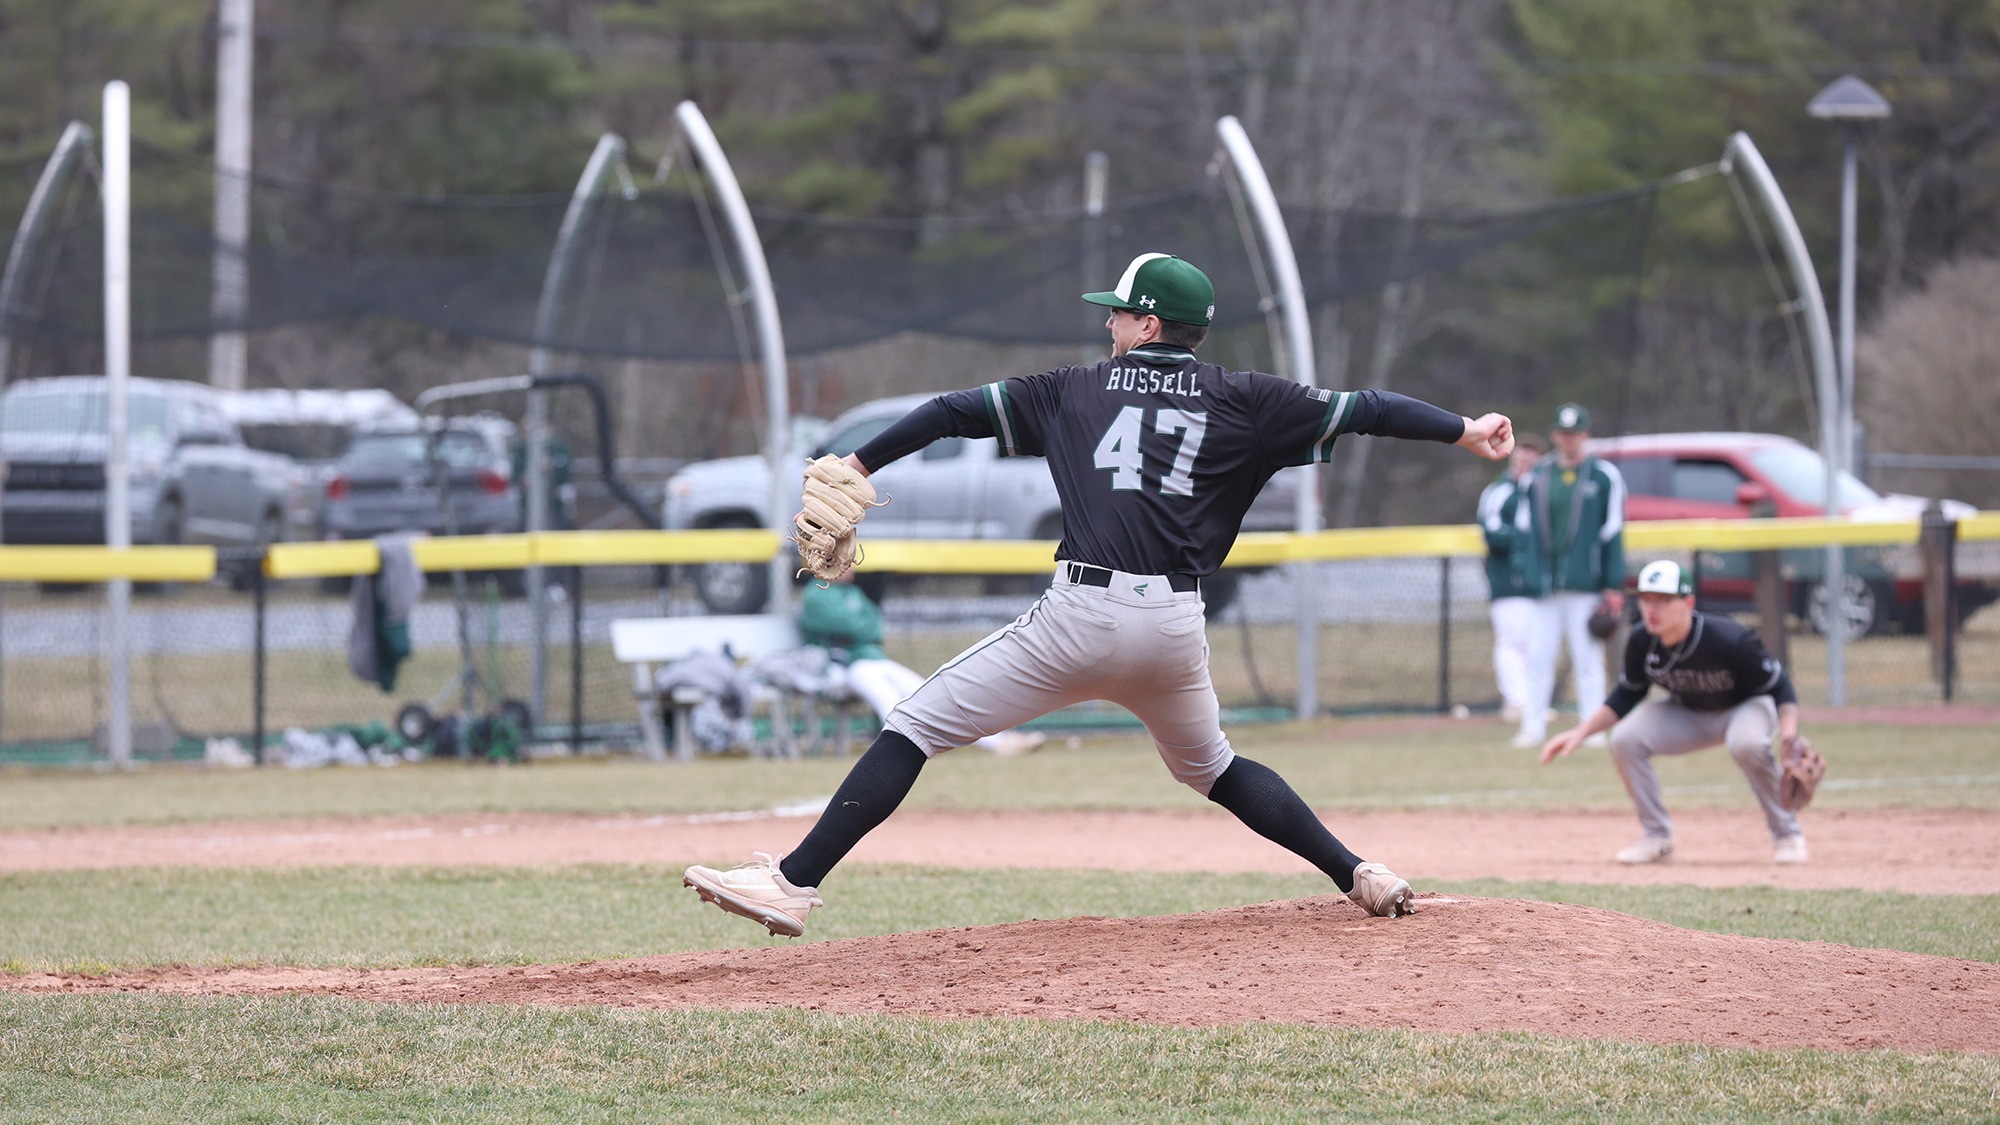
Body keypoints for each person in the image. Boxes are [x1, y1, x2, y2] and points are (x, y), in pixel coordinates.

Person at [683, 252, 1516, 937]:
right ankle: (1359, 873)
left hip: (1084, 614)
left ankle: (791, 882)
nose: (1108, 322)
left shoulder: (1074, 389)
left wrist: (860, 463)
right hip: (1176, 627)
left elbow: (945, 412)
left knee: (913, 723)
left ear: (1148, 323)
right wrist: (1466, 429)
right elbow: (1368, 408)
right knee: (1214, 765)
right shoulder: (1251, 399)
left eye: (1119, 311)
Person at [1540, 559, 1808, 865]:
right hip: (1688, 712)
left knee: (1746, 743)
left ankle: (1787, 835)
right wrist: (1581, 732)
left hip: (1745, 708)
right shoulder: (1642, 640)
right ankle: (1657, 837)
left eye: (1664, 601)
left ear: (1688, 603)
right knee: (1625, 739)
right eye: (1646, 599)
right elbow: (1628, 694)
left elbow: (1781, 688)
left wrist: (1788, 735)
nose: (1652, 609)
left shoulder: (1730, 638)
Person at [798, 571, 1046, 758]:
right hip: (842, 667)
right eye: (840, 557)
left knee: (929, 692)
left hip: (873, 660)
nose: (849, 563)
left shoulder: (852, 592)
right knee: (890, 702)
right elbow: (853, 627)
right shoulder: (816, 593)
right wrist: (860, 629)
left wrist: (861, 629)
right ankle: (899, 752)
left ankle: (998, 744)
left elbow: (874, 625)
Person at [1517, 402, 1625, 750]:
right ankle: (1532, 727)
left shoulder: (1603, 476)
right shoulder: (1538, 476)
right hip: (1546, 585)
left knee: (1588, 660)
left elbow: (1612, 532)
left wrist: (1613, 584)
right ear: (1554, 436)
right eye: (1563, 434)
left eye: (1575, 434)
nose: (1569, 441)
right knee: (1538, 657)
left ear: (1586, 435)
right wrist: (1530, 577)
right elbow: (1526, 531)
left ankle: (1590, 728)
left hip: (1585, 584)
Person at [1477, 431, 1545, 728]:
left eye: (1530, 461)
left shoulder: (1541, 491)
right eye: (1520, 459)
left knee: (1533, 643)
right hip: (1508, 581)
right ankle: (1516, 701)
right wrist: (1525, 541)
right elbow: (1492, 532)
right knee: (1511, 640)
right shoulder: (1500, 491)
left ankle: (1532, 701)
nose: (1523, 465)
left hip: (1537, 582)